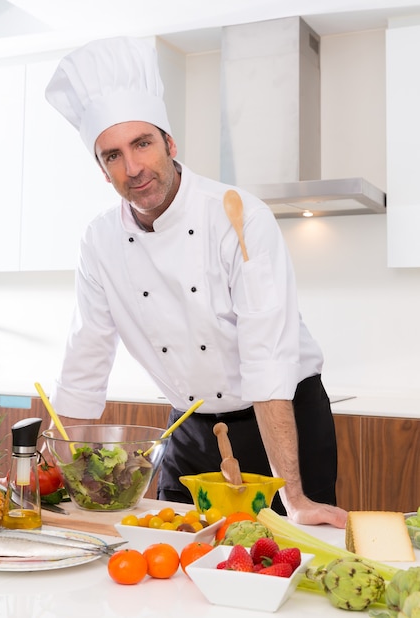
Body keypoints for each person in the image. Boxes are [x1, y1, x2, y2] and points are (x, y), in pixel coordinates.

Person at [45, 36, 347, 529]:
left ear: (170, 143)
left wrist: (292, 496)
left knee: (290, 554)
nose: (133, 168)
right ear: (102, 170)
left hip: (279, 417)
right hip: (188, 428)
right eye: (113, 155)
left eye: (142, 144)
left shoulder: (236, 214)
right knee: (175, 557)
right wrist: (59, 475)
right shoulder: (99, 240)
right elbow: (86, 357)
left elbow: (267, 359)